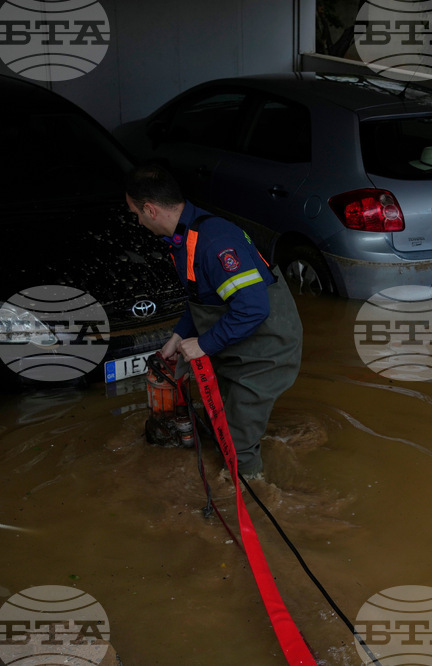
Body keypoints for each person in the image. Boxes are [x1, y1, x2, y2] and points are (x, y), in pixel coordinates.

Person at [125, 164, 302, 479]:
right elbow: (204, 299)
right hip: (238, 342)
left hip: (266, 350)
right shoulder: (184, 238)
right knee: (215, 416)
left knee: (236, 441)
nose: (137, 221)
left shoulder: (214, 242)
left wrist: (204, 344)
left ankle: (249, 490)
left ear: (150, 210)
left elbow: (252, 308)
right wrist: (179, 337)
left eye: (136, 213)